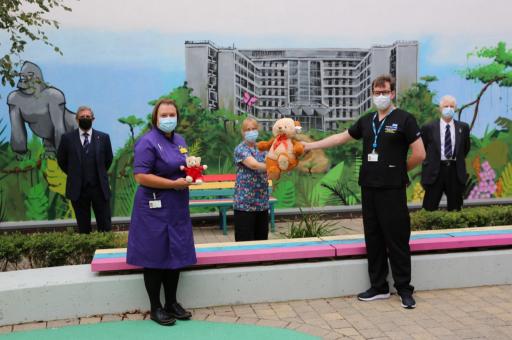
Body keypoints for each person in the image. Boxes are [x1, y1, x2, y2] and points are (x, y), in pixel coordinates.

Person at [303, 75, 425, 309]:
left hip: (392, 190)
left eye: (384, 92)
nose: (380, 96)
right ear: (372, 94)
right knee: (374, 238)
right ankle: (379, 287)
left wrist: (399, 171)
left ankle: (404, 289)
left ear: (392, 94)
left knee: (397, 239)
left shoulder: (405, 120)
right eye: (376, 92)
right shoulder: (367, 121)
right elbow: (341, 137)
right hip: (369, 187)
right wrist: (311, 145)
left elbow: (419, 154)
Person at [126, 99, 197, 326]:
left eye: (172, 114)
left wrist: (192, 172)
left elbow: (182, 166)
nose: (168, 119)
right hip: (153, 209)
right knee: (155, 256)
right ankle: (156, 307)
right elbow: (141, 176)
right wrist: (172, 184)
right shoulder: (147, 142)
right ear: (156, 118)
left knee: (175, 253)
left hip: (176, 207)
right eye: (164, 115)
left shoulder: (179, 140)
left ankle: (172, 303)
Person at [57, 106, 113, 233]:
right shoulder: (67, 139)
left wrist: (99, 173)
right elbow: (61, 160)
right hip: (78, 189)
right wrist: (73, 173)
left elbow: (108, 160)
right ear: (77, 119)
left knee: (105, 225)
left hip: (99, 188)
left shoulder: (103, 138)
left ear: (93, 119)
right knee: (83, 227)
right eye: (82, 117)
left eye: (88, 117)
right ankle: (87, 249)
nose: (85, 119)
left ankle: (105, 248)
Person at [421, 95, 471, 211]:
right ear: (440, 108)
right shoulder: (428, 127)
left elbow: (465, 148)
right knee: (429, 208)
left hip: (455, 171)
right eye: (446, 106)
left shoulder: (463, 127)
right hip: (435, 171)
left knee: (455, 209)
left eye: (452, 106)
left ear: (455, 108)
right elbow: (423, 149)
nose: (449, 109)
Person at [233, 117, 269, 241]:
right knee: (244, 242)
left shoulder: (262, 148)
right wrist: (272, 166)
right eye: (248, 129)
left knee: (262, 240)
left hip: (262, 203)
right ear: (243, 132)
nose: (251, 131)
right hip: (245, 204)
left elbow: (273, 160)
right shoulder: (240, 149)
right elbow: (254, 165)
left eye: (254, 129)